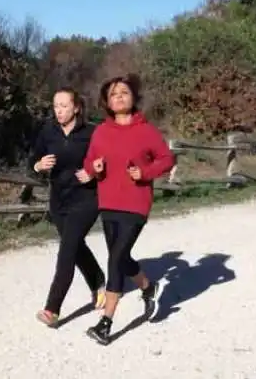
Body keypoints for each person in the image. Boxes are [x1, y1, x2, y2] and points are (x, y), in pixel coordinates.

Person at [80, 74, 176, 346]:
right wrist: (93, 168)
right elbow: (89, 162)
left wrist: (145, 172)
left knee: (116, 258)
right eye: (113, 94)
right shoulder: (101, 131)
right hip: (108, 202)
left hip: (136, 203)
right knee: (120, 258)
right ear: (107, 102)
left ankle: (106, 322)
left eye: (124, 92)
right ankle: (148, 286)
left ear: (133, 97)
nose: (119, 97)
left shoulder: (146, 130)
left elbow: (167, 159)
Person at [30, 87, 106, 328]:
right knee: (75, 246)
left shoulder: (92, 132)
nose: (59, 110)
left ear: (76, 107)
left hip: (86, 200)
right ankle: (98, 282)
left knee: (66, 251)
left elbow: (107, 161)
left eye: (64, 105)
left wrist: (93, 171)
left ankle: (52, 309)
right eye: (56, 106)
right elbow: (31, 159)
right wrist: (38, 165)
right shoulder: (48, 132)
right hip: (59, 201)